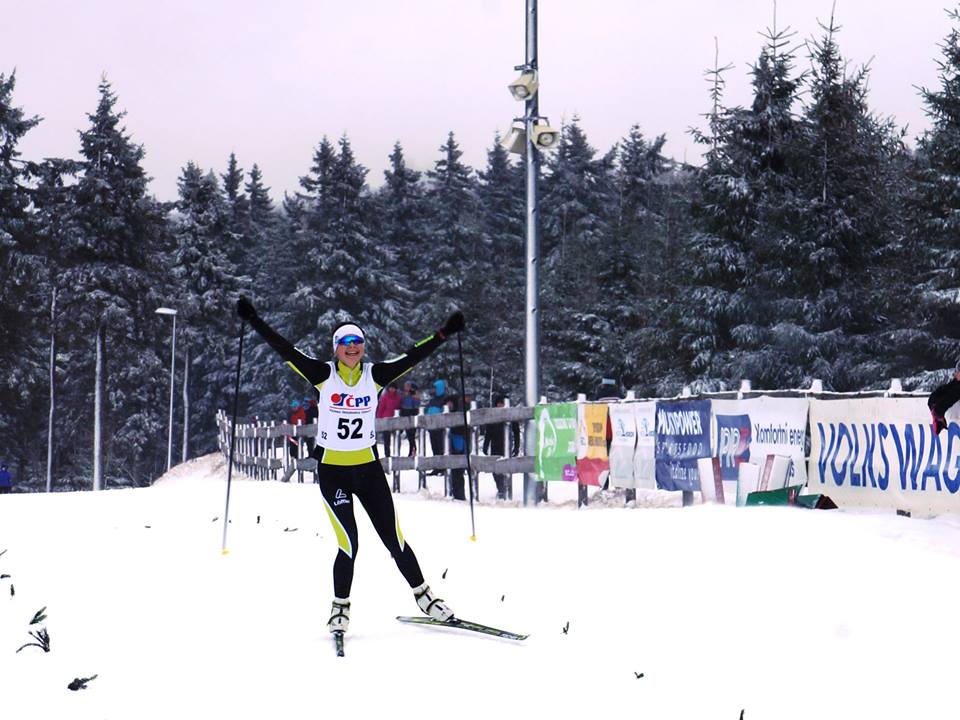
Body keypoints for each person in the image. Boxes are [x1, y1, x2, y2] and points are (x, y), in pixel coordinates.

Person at [236, 295, 464, 636]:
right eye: (346, 342)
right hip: (334, 473)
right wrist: (254, 320)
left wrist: (443, 334)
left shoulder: (375, 375)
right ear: (336, 349)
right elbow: (285, 349)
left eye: (357, 341)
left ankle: (425, 597)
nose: (353, 347)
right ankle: (340, 608)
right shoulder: (323, 375)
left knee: (394, 539)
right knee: (349, 543)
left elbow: (412, 357)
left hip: (369, 471)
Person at [483, 395, 521, 500]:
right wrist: (485, 445)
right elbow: (488, 433)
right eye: (499, 404)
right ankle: (501, 489)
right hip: (495, 446)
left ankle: (506, 490)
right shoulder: (493, 416)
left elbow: (516, 432)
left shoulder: (511, 415)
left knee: (506, 469)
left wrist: (516, 446)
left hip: (507, 446)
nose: (500, 406)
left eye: (502, 403)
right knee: (495, 469)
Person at [376, 383, 403, 457]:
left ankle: (397, 452)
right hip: (386, 420)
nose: (392, 389)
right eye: (391, 388)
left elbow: (400, 407)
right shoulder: (385, 396)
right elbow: (381, 408)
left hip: (395, 419)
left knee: (397, 437)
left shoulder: (398, 397)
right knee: (387, 439)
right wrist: (379, 420)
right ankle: (387, 454)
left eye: (393, 388)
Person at [929, 370, 960, 435]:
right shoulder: (932, 404)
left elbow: (952, 393)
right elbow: (945, 389)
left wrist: (956, 381)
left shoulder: (938, 408)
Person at [426, 379, 448, 461]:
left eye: (435, 388)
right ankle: (436, 464)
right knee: (434, 448)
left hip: (440, 428)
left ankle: (442, 465)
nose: (433, 390)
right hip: (432, 428)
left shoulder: (445, 400)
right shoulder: (432, 400)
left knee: (441, 448)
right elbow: (428, 412)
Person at [399, 381, 420, 456]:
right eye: (405, 386)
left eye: (408, 386)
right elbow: (400, 403)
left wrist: (415, 396)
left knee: (411, 435)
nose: (406, 388)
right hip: (404, 414)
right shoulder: (402, 394)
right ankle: (411, 451)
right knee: (408, 435)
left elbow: (416, 404)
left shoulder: (413, 394)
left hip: (412, 414)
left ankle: (413, 450)